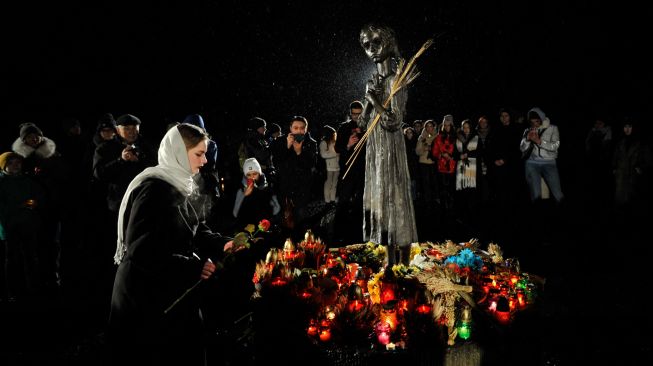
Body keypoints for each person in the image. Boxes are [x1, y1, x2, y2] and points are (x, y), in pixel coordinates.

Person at [108, 123, 228, 366]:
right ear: (178, 153)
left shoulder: (180, 182)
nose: (204, 161)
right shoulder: (154, 189)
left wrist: (223, 244)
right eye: (199, 154)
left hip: (169, 287)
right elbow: (142, 249)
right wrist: (192, 267)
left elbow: (193, 226)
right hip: (145, 296)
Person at [358, 23, 418, 265]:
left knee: (395, 197)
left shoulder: (397, 79)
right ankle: (388, 259)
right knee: (380, 196)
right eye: (366, 45)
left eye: (376, 42)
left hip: (391, 149)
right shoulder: (373, 80)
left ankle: (402, 261)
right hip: (375, 150)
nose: (371, 49)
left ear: (389, 43)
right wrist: (369, 101)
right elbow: (363, 123)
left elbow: (394, 121)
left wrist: (375, 99)